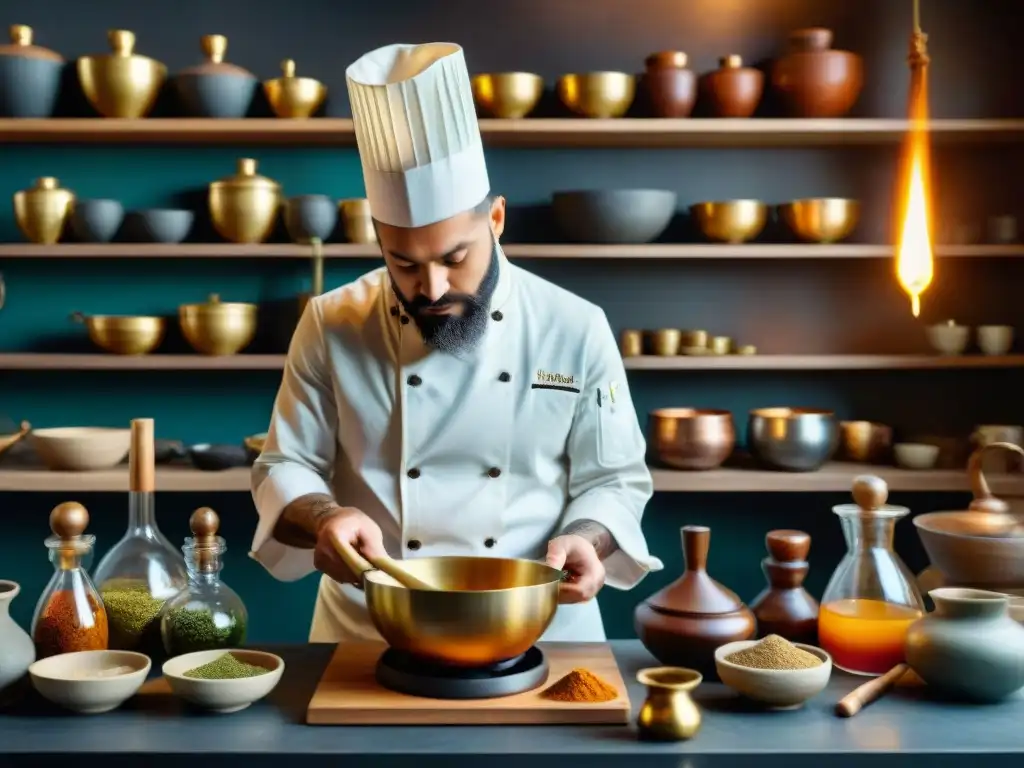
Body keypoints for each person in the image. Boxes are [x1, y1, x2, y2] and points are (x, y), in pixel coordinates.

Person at [249, 41, 663, 644]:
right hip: (369, 632)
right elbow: (285, 465)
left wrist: (589, 536)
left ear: (495, 221)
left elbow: (615, 480)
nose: (432, 286)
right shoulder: (330, 320)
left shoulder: (574, 325)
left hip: (542, 629)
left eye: (455, 257)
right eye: (403, 263)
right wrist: (325, 518)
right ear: (377, 237)